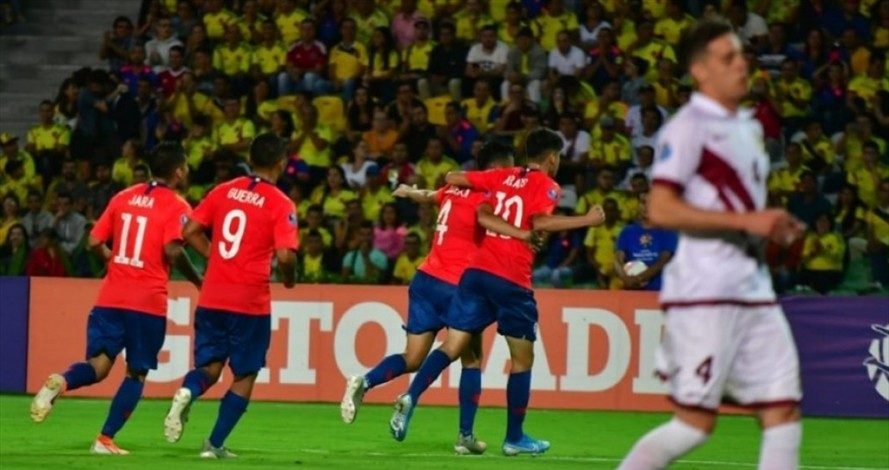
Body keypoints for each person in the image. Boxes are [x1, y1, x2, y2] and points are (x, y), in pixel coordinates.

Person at [617, 21, 806, 470]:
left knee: (783, 411)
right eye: (728, 58)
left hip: (753, 289)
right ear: (700, 70)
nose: (742, 64)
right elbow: (660, 208)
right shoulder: (688, 128)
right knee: (694, 424)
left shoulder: (748, 126)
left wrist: (773, 229)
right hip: (706, 292)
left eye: (741, 55)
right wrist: (750, 220)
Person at [388, 128, 605, 455]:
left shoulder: (501, 176)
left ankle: (410, 395)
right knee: (522, 359)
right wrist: (586, 220)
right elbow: (541, 224)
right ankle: (514, 438)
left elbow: (457, 181)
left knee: (455, 343)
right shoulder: (547, 185)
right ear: (552, 158)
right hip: (512, 280)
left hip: (475, 274)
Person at [340, 140, 531, 455]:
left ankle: (366, 381)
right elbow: (489, 222)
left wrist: (409, 192)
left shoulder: (455, 189)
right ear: (497, 168)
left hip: (426, 278)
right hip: (459, 285)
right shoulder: (491, 195)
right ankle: (456, 430)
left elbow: (431, 196)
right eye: (508, 168)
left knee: (412, 357)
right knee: (470, 358)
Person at [29, 142, 201, 455]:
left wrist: (115, 259)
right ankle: (105, 439)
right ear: (178, 171)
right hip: (146, 302)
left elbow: (94, 240)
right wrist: (199, 281)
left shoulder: (123, 196)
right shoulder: (177, 206)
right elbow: (173, 251)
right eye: (185, 166)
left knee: (97, 366)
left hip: (110, 297)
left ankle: (62, 381)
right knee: (136, 373)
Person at [162, 134, 298, 458]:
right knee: (245, 373)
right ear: (281, 162)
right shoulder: (281, 203)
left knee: (209, 368)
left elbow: (189, 231)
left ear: (250, 159)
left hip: (212, 295)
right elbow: (287, 256)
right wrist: (289, 280)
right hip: (249, 300)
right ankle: (214, 444)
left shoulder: (223, 190)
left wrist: (215, 256)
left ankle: (186, 392)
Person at [614, 193, 678, 290]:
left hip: (658, 292)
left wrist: (639, 278)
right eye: (643, 202)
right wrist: (624, 278)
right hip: (632, 291)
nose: (646, 207)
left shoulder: (668, 231)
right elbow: (618, 260)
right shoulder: (627, 231)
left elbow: (663, 261)